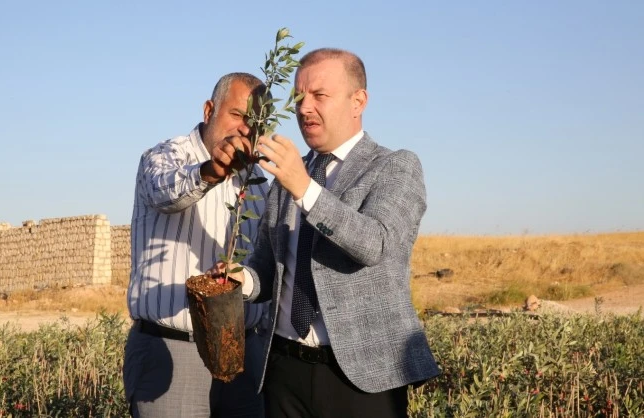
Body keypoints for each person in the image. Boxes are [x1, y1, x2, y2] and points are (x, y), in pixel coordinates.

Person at [218, 49, 440, 417]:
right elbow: (267, 272)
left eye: (320, 96)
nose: (304, 108)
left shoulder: (395, 166)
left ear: (359, 101)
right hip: (284, 369)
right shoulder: (289, 175)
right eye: (299, 97)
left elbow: (375, 244)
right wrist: (241, 279)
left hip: (361, 377)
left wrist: (305, 189)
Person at [123, 72, 270, 417]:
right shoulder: (164, 157)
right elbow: (165, 191)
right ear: (209, 109)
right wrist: (209, 171)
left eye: (255, 122)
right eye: (236, 115)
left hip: (245, 358)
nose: (244, 129)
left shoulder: (259, 182)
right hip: (173, 350)